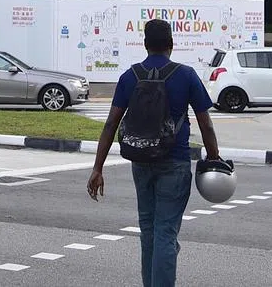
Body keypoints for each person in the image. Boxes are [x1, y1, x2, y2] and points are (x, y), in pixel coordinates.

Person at [87, 18, 223, 287]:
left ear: (145, 45)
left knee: (148, 231)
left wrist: (97, 168)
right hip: (175, 163)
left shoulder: (130, 76)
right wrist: (215, 158)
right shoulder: (185, 75)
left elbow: (111, 124)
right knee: (166, 233)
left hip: (140, 161)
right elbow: (205, 123)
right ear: (171, 45)